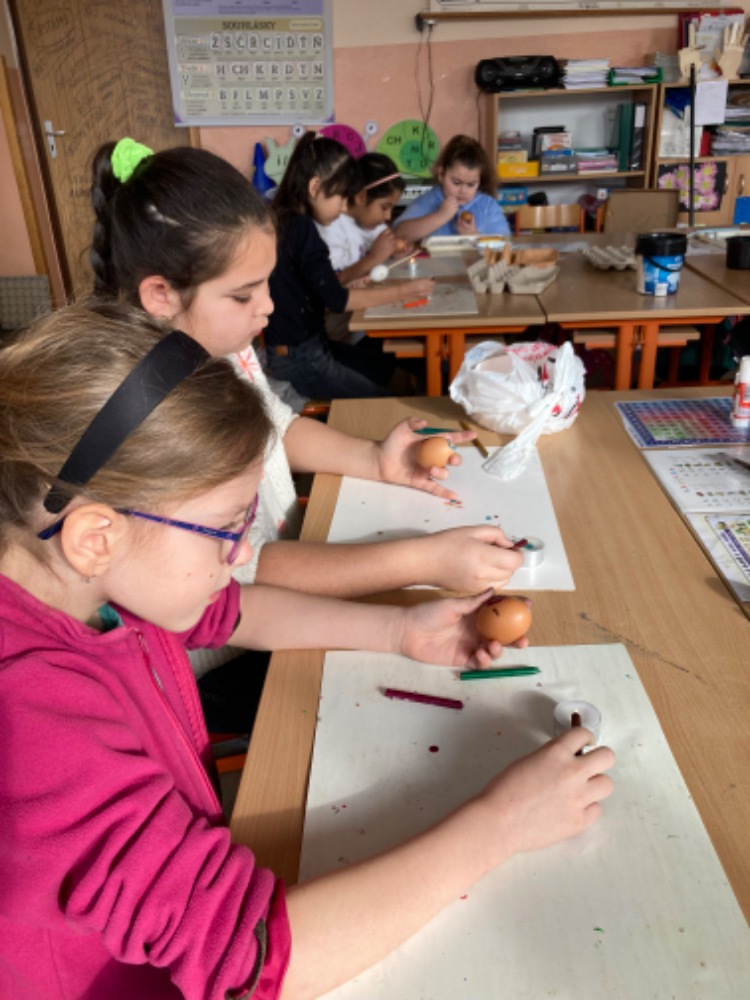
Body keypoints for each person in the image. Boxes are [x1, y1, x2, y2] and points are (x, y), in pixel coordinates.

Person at [0, 303, 616, 1000]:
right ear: (96, 536)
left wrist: (401, 631)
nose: (241, 554)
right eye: (226, 529)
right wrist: (502, 825)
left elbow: (233, 611)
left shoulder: (94, 586)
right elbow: (251, 958)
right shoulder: (31, 716)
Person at [88, 139, 525, 699]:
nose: (269, 307)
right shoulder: (153, 415)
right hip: (222, 657)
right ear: (161, 295)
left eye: (266, 284)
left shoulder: (217, 350)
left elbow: (278, 427)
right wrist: (419, 561)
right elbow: (241, 582)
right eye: (244, 294)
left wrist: (375, 459)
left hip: (278, 591)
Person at [263, 131, 434, 399]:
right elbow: (337, 300)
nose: (344, 208)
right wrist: (405, 292)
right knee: (383, 401)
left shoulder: (286, 219)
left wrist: (348, 280)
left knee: (382, 367)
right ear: (315, 187)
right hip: (299, 357)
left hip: (309, 346)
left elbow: (318, 285)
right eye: (341, 197)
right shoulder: (302, 228)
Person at [316, 151, 414, 288]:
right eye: (384, 207)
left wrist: (393, 250)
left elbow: (381, 245)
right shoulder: (330, 227)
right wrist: (373, 258)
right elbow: (328, 283)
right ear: (361, 197)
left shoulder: (372, 223)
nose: (388, 216)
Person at [394, 133, 510, 243]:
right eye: (456, 182)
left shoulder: (488, 206)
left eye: (471, 185)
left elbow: (504, 245)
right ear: (441, 174)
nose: (463, 191)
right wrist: (440, 216)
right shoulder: (428, 201)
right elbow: (399, 234)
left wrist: (474, 235)